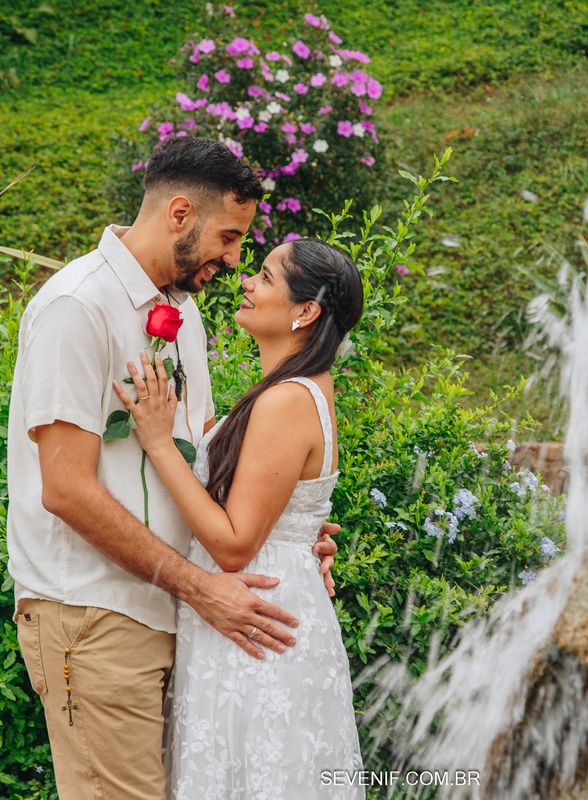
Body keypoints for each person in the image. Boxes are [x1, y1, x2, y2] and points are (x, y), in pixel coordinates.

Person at [7, 137, 339, 800]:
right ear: (180, 214)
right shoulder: (77, 307)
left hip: (178, 619)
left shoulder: (183, 316)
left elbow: (202, 453)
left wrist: (292, 536)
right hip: (95, 616)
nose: (235, 260)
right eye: (230, 237)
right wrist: (197, 585)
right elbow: (66, 489)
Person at [114, 237, 365, 798]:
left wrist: (158, 442)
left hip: (254, 620)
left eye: (267, 277)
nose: (247, 282)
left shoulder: (287, 400)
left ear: (306, 311)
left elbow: (234, 545)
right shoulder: (293, 390)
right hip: (265, 606)